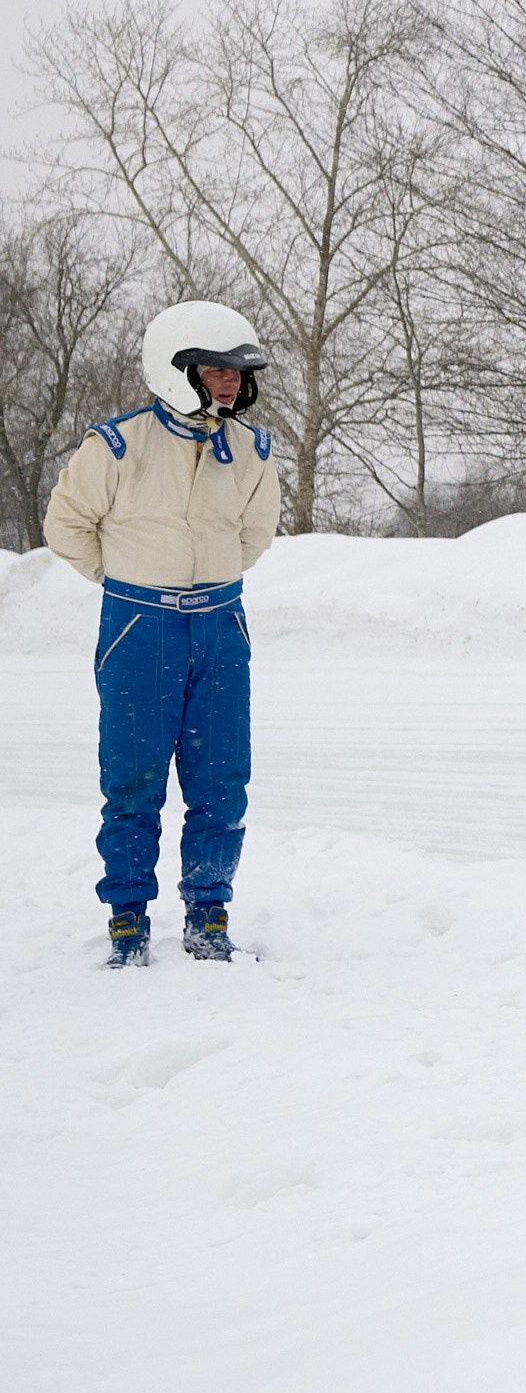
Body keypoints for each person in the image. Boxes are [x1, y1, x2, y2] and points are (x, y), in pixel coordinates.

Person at [43, 302, 279, 966]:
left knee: (221, 777)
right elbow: (65, 526)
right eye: (216, 370)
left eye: (238, 373)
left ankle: (208, 910)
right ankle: (127, 915)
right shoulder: (116, 446)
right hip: (139, 627)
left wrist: (210, 584)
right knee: (133, 777)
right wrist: (125, 580)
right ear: (175, 370)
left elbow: (256, 535)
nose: (231, 384)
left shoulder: (253, 451)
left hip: (221, 625)